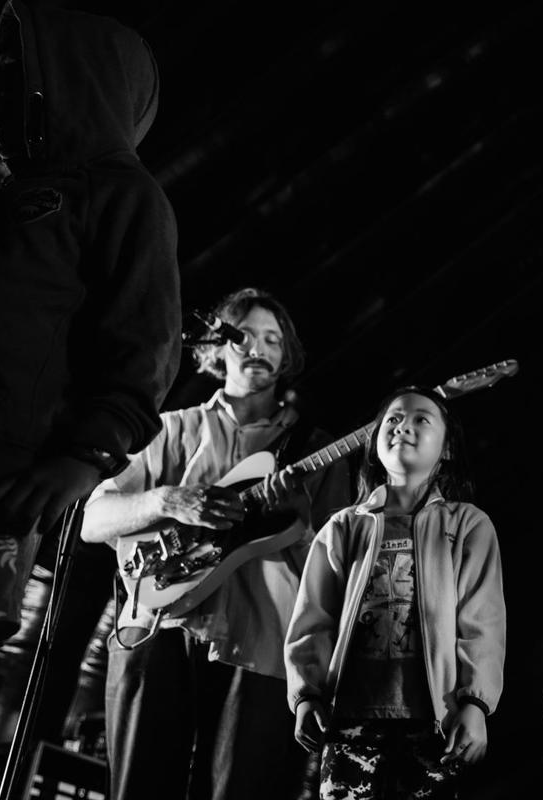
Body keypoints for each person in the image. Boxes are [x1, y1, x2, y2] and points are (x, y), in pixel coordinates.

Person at [0, 1, 181, 797]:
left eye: (14, 74)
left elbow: (142, 348)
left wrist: (82, 459)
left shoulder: (122, 198)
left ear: (76, 80)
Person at [80, 288, 352, 800]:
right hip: (157, 628)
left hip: (265, 646)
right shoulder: (168, 429)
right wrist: (166, 500)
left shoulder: (317, 450)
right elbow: (92, 519)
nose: (258, 348)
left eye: (273, 339)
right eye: (244, 335)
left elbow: (338, 568)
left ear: (285, 354)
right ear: (216, 346)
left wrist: (298, 523)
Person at [285, 387, 506, 800]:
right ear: (374, 444)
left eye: (422, 418)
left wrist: (475, 704)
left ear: (447, 450)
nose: (404, 425)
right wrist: (306, 695)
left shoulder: (468, 525)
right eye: (393, 419)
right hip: (348, 721)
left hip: (435, 723)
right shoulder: (343, 528)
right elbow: (313, 617)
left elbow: (482, 623)